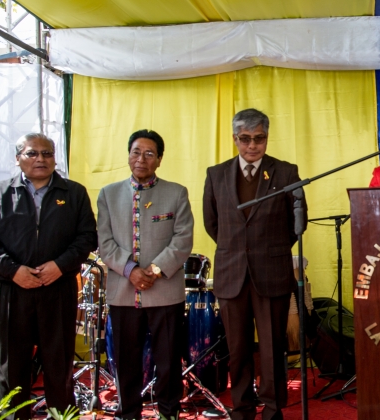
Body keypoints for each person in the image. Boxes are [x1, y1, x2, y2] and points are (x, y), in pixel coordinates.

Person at [0, 133, 97, 420]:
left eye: (47, 153)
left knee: (59, 364)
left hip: (58, 288)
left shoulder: (74, 193)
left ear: (54, 158)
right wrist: (13, 271)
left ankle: (62, 415)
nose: (40, 159)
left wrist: (60, 266)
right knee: (12, 365)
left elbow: (87, 237)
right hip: (13, 290)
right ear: (18, 158)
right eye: (32, 153)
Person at [203, 108, 307, 420]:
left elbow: (296, 223)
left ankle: (273, 410)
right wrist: (239, 249)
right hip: (231, 273)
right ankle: (242, 408)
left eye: (259, 139)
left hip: (271, 272)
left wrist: (269, 249)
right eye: (245, 139)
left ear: (266, 137)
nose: (252, 146)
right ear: (235, 138)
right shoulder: (216, 173)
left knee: (274, 348)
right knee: (238, 347)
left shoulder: (286, 172)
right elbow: (212, 223)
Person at [97, 129, 193, 419]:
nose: (141, 159)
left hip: (165, 291)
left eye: (149, 153)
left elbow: (183, 238)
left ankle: (168, 413)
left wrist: (151, 270)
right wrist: (130, 271)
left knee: (167, 362)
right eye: (136, 152)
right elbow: (104, 242)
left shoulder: (176, 192)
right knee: (126, 361)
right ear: (128, 155)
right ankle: (129, 414)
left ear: (159, 160)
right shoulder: (108, 194)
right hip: (123, 293)